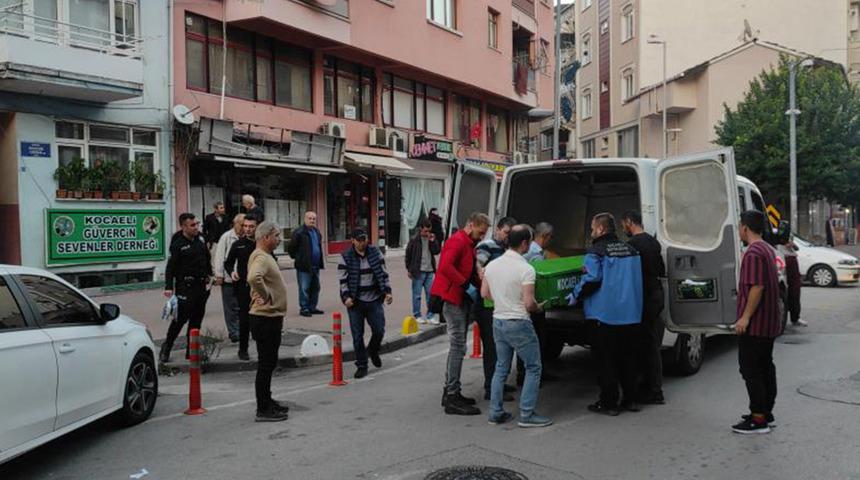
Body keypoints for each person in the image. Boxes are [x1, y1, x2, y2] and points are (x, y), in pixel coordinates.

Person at [570, 213, 643, 416]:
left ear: (601, 230)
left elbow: (592, 279)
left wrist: (574, 296)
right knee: (628, 358)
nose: (592, 232)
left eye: (593, 228)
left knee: (605, 360)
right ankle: (631, 399)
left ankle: (609, 403)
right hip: (631, 314)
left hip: (604, 316)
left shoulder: (595, 252)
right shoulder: (631, 250)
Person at [482, 225, 553, 428]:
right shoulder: (526, 269)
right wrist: (539, 308)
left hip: (498, 320)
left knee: (501, 367)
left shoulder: (492, 265)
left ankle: (495, 412)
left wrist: (502, 302)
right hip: (519, 322)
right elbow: (529, 303)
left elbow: (484, 293)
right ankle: (527, 414)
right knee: (533, 366)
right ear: (524, 243)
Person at [431, 212, 490, 416]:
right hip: (453, 298)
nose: (482, 237)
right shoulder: (457, 241)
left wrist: (479, 281)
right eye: (480, 232)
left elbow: (467, 268)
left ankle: (451, 392)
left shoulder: (468, 243)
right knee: (457, 346)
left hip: (461, 297)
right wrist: (467, 285)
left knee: (458, 346)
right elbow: (445, 267)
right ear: (471, 224)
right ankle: (452, 396)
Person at [732, 210, 782, 434]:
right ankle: (765, 412)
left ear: (745, 228)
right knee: (765, 367)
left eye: (739, 226)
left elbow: (757, 287)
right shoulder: (768, 249)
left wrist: (745, 317)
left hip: (756, 324)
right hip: (769, 323)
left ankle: (758, 419)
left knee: (750, 370)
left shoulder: (752, 253)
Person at [621, 210, 668, 405]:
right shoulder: (653, 241)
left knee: (644, 344)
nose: (623, 228)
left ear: (630, 222)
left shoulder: (631, 245)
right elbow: (661, 269)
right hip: (656, 294)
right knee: (652, 343)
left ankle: (652, 390)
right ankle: (651, 387)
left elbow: (627, 275)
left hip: (644, 297)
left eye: (624, 224)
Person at [247, 221, 290, 422]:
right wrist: (266, 296)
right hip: (264, 318)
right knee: (266, 364)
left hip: (270, 317)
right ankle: (263, 409)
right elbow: (253, 278)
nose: (279, 239)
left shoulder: (264, 256)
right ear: (266, 237)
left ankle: (267, 400)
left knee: (269, 362)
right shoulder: (261, 257)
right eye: (276, 235)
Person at [338, 228, 393, 379]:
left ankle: (373, 350)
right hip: (355, 302)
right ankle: (362, 364)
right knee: (357, 335)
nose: (363, 243)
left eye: (365, 239)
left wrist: (388, 292)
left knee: (379, 330)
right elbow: (343, 280)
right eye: (359, 240)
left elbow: (384, 274)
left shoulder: (375, 253)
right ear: (353, 241)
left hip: (374, 298)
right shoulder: (346, 257)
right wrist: (346, 297)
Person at [474, 216, 518, 401]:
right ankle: (491, 388)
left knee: (503, 346)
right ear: (498, 229)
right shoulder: (487, 246)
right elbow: (478, 267)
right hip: (487, 304)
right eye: (506, 232)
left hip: (500, 303)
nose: (508, 237)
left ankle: (498, 383)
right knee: (492, 347)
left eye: (511, 234)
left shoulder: (506, 249)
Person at [161, 213, 213, 364]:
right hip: (185, 286)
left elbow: (206, 258)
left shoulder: (200, 239)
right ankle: (167, 348)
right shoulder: (178, 243)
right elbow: (170, 268)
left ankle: (192, 351)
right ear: (183, 226)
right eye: (192, 225)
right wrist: (168, 286)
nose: (196, 227)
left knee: (197, 319)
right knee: (180, 319)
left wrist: (210, 274)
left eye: (197, 224)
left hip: (200, 286)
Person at [518, 221, 556, 385]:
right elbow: (539, 279)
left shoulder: (532, 250)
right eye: (551, 237)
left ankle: (529, 373)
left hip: (525, 301)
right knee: (535, 340)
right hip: (533, 304)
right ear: (545, 236)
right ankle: (530, 376)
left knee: (528, 340)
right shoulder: (535, 253)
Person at [225, 215, 259, 360]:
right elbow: (228, 262)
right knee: (244, 319)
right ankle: (243, 350)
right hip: (243, 287)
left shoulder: (261, 244)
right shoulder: (238, 244)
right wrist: (232, 272)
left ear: (256, 227)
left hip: (259, 287)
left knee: (259, 319)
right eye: (245, 226)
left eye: (251, 226)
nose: (248, 229)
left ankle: (262, 348)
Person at [213, 213, 245, 343]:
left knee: (242, 306)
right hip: (228, 278)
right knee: (230, 308)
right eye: (241, 224)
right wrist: (219, 275)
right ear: (234, 223)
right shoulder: (226, 237)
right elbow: (219, 257)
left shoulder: (247, 238)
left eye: (245, 225)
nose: (243, 227)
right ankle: (234, 332)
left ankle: (242, 330)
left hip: (243, 278)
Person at [288, 211, 325, 317]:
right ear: (305, 219)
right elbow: (291, 248)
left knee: (316, 287)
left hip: (315, 265)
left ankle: (312, 307)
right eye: (310, 218)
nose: (312, 220)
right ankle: (304, 308)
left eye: (314, 219)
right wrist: (299, 258)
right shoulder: (299, 232)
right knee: (304, 288)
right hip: (304, 266)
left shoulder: (317, 232)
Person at [405, 219, 441, 324]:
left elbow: (437, 251)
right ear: (421, 229)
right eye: (425, 231)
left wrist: (433, 241)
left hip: (430, 270)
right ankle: (417, 315)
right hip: (418, 271)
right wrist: (409, 269)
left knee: (430, 294)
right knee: (417, 295)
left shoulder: (431, 238)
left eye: (429, 231)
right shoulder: (414, 240)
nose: (427, 233)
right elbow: (408, 255)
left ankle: (430, 315)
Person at [778, 237, 806, 327]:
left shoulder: (787, 234)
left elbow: (796, 248)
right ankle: (783, 318)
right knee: (784, 292)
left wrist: (792, 244)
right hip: (784, 259)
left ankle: (795, 318)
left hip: (792, 260)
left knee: (795, 291)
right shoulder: (775, 233)